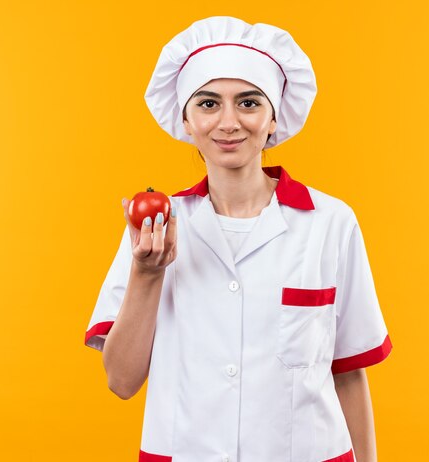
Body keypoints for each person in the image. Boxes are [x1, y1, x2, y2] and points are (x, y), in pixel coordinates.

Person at [85, 16, 393, 462]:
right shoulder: (154, 229)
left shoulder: (331, 223)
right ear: (186, 121)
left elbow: (347, 373)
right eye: (208, 104)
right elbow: (122, 382)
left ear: (273, 119)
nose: (228, 122)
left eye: (248, 103)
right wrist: (147, 275)